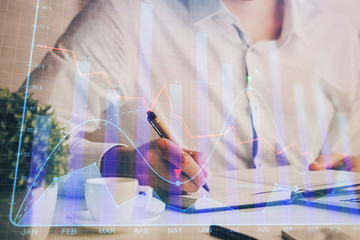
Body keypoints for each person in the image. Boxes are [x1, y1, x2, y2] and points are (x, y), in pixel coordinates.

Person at [21, 0, 360, 196]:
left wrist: (347, 170)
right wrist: (119, 165)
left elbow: (344, 156)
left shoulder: (340, 33)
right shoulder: (124, 13)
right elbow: (19, 141)